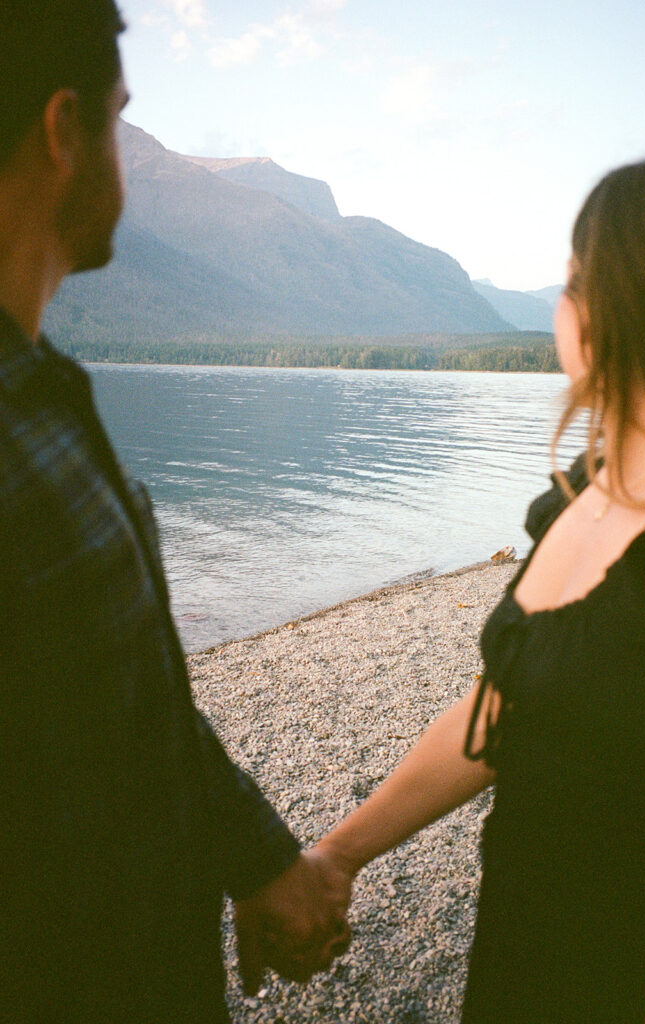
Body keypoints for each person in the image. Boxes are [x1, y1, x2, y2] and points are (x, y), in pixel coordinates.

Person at [0, 3, 349, 1021]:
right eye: (118, 119)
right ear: (64, 131)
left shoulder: (44, 403)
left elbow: (125, 698)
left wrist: (260, 859)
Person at [310, 148, 645, 1023]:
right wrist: (337, 856)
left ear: (617, 304)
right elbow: (499, 710)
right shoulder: (579, 499)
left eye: (572, 281)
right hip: (523, 958)